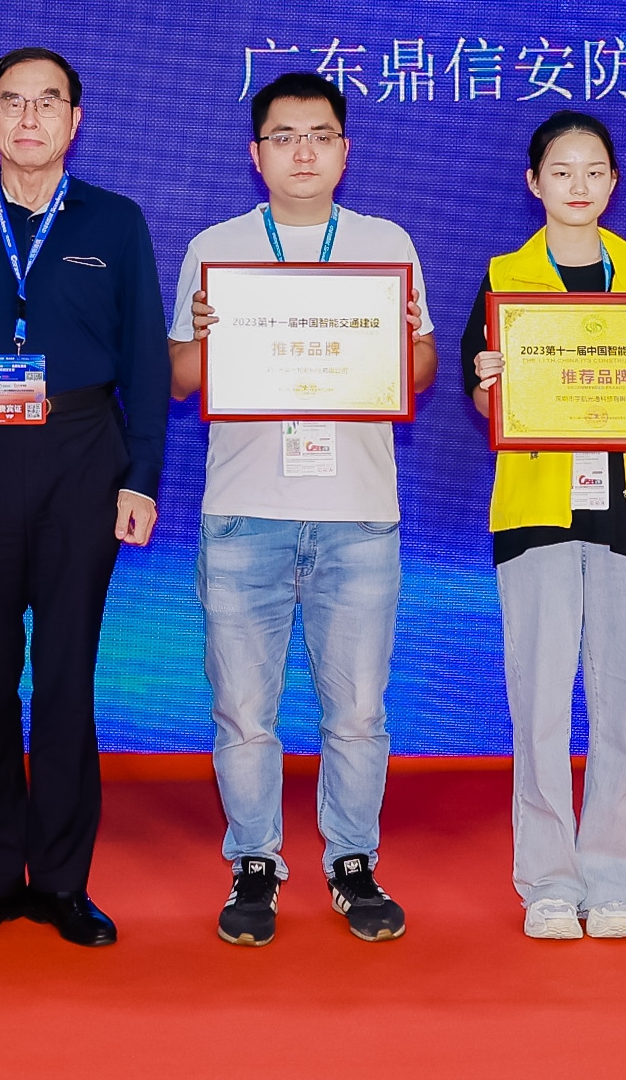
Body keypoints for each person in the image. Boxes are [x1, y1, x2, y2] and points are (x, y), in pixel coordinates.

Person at [0, 46, 169, 948]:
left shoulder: (116, 221)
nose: (28, 117)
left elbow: (145, 359)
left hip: (82, 456)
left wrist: (140, 477)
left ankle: (59, 880)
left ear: (73, 120)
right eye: (11, 102)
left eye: (46, 101)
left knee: (64, 677)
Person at [168, 71, 437, 947]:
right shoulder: (215, 247)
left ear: (344, 150)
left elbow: (421, 367)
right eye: (283, 136)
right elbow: (179, 379)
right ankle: (254, 860)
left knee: (356, 711)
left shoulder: (385, 242)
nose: (303, 151)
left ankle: (352, 861)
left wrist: (396, 340)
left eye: (319, 134)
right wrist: (208, 335)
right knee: (244, 712)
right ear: (256, 154)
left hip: (357, 512)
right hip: (243, 511)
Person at [464, 111, 626, 945]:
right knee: (537, 708)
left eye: (593, 170)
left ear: (613, 183)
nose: (578, 184)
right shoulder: (501, 280)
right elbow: (479, 399)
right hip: (535, 515)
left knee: (619, 708)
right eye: (561, 170)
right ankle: (546, 882)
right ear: (532, 182)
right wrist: (488, 382)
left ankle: (611, 881)